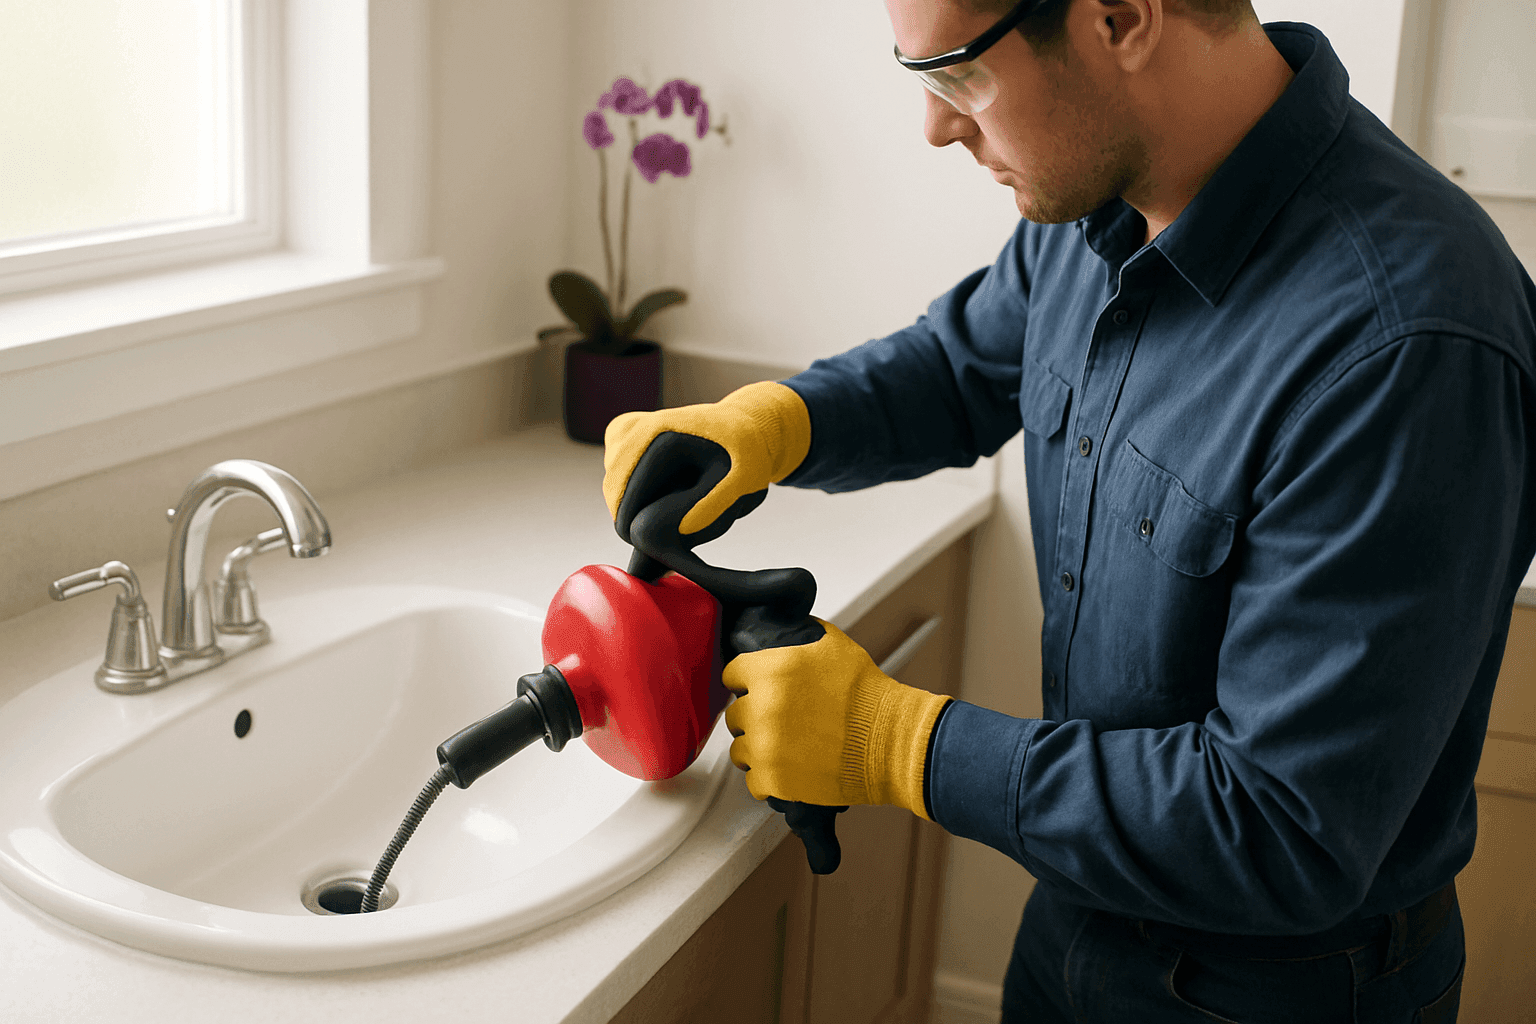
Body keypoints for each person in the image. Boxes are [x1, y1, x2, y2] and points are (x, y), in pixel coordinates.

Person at [602, 1, 1536, 1021]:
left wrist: (898, 743)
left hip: (1283, 988)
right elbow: (962, 366)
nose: (937, 127)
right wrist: (773, 422)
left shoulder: (1409, 340)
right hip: (1076, 916)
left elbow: (1283, 828)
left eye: (957, 74)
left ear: (1121, 17)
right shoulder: (1101, 200)